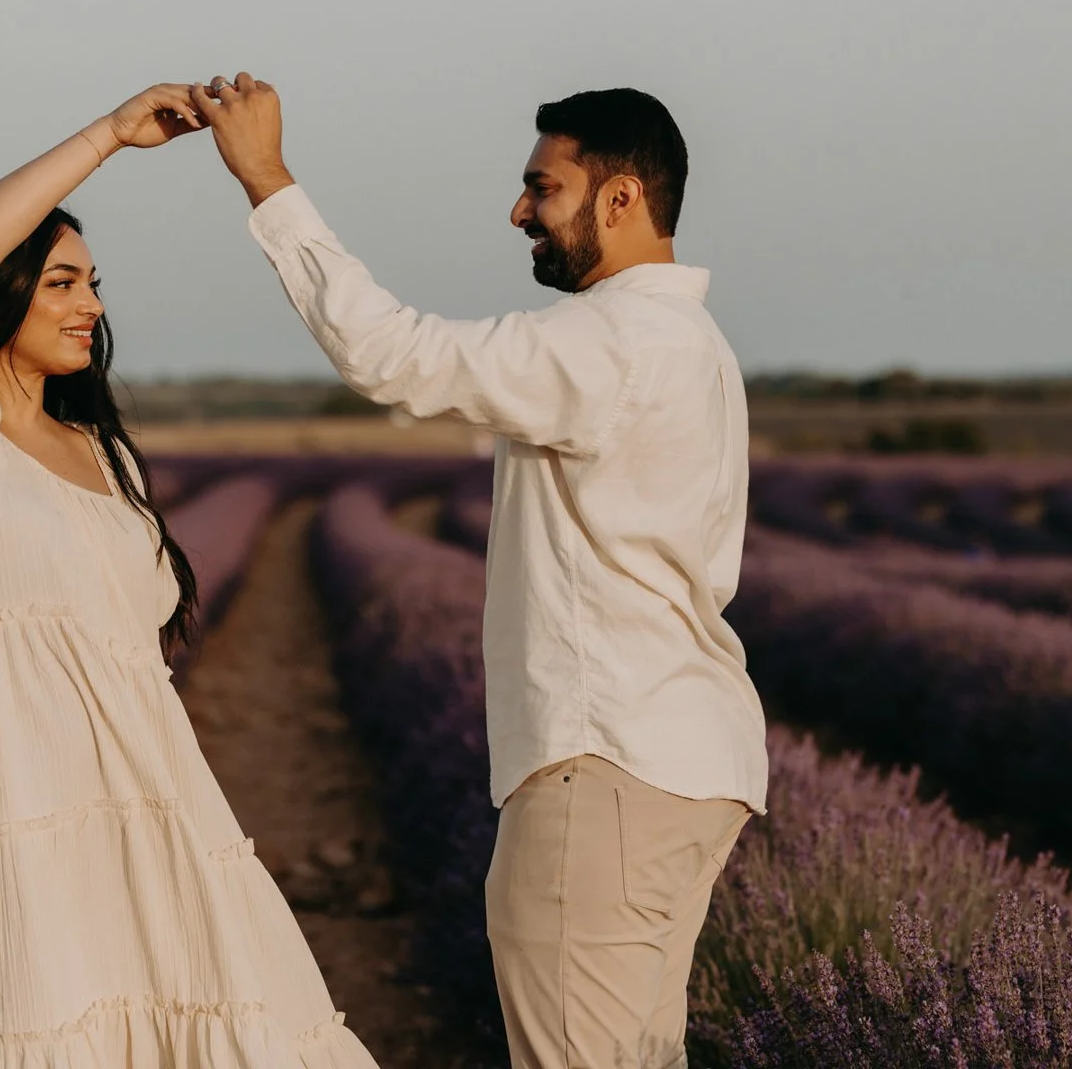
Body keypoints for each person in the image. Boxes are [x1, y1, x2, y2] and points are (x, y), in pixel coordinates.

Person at [191, 73, 768, 1068]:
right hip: (684, 758)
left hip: (609, 764)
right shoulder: (690, 342)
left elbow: (392, 356)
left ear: (620, 198)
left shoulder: (615, 341)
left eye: (542, 188)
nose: (519, 213)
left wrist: (268, 182)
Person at [0, 83, 378, 1068]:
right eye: (64, 282)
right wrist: (110, 135)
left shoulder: (102, 454)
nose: (92, 306)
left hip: (140, 795)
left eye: (94, 282)